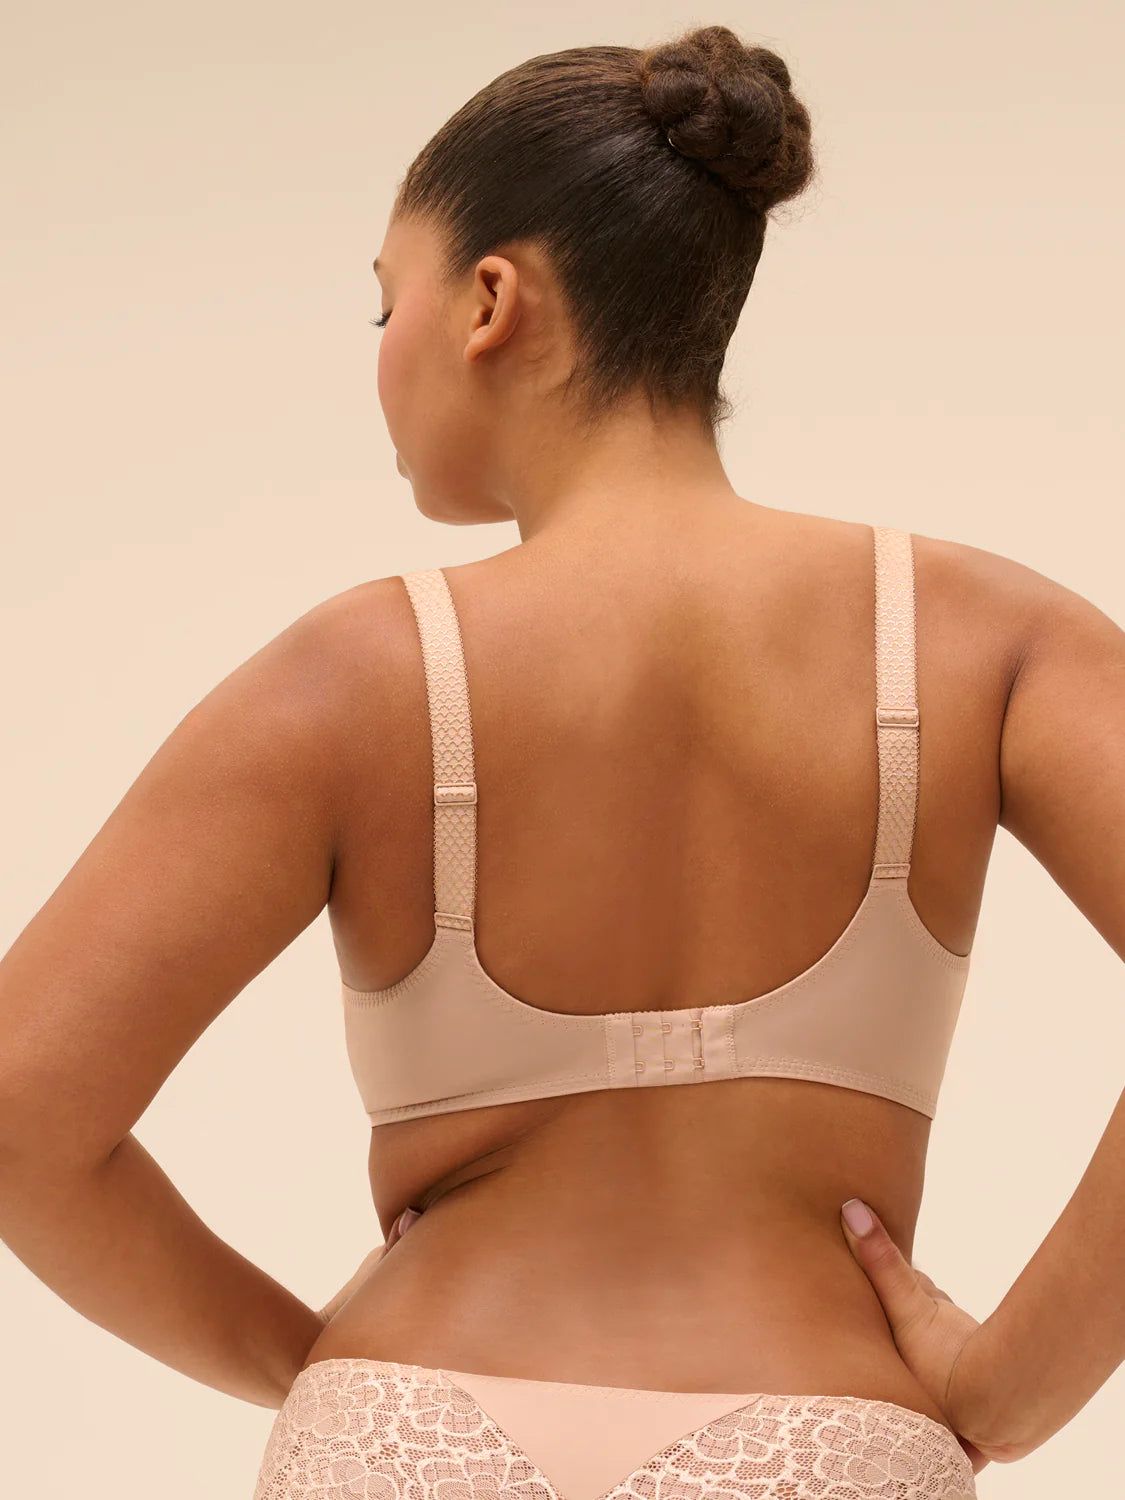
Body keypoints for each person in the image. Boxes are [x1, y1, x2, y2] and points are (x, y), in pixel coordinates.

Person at [1, 22, 1121, 1500]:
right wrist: (1014, 1383)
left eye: (384, 299)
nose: (378, 351)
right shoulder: (991, 643)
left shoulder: (350, 676)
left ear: (489, 301)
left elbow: (21, 1109)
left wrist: (326, 1374)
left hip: (407, 1433)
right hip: (820, 1435)